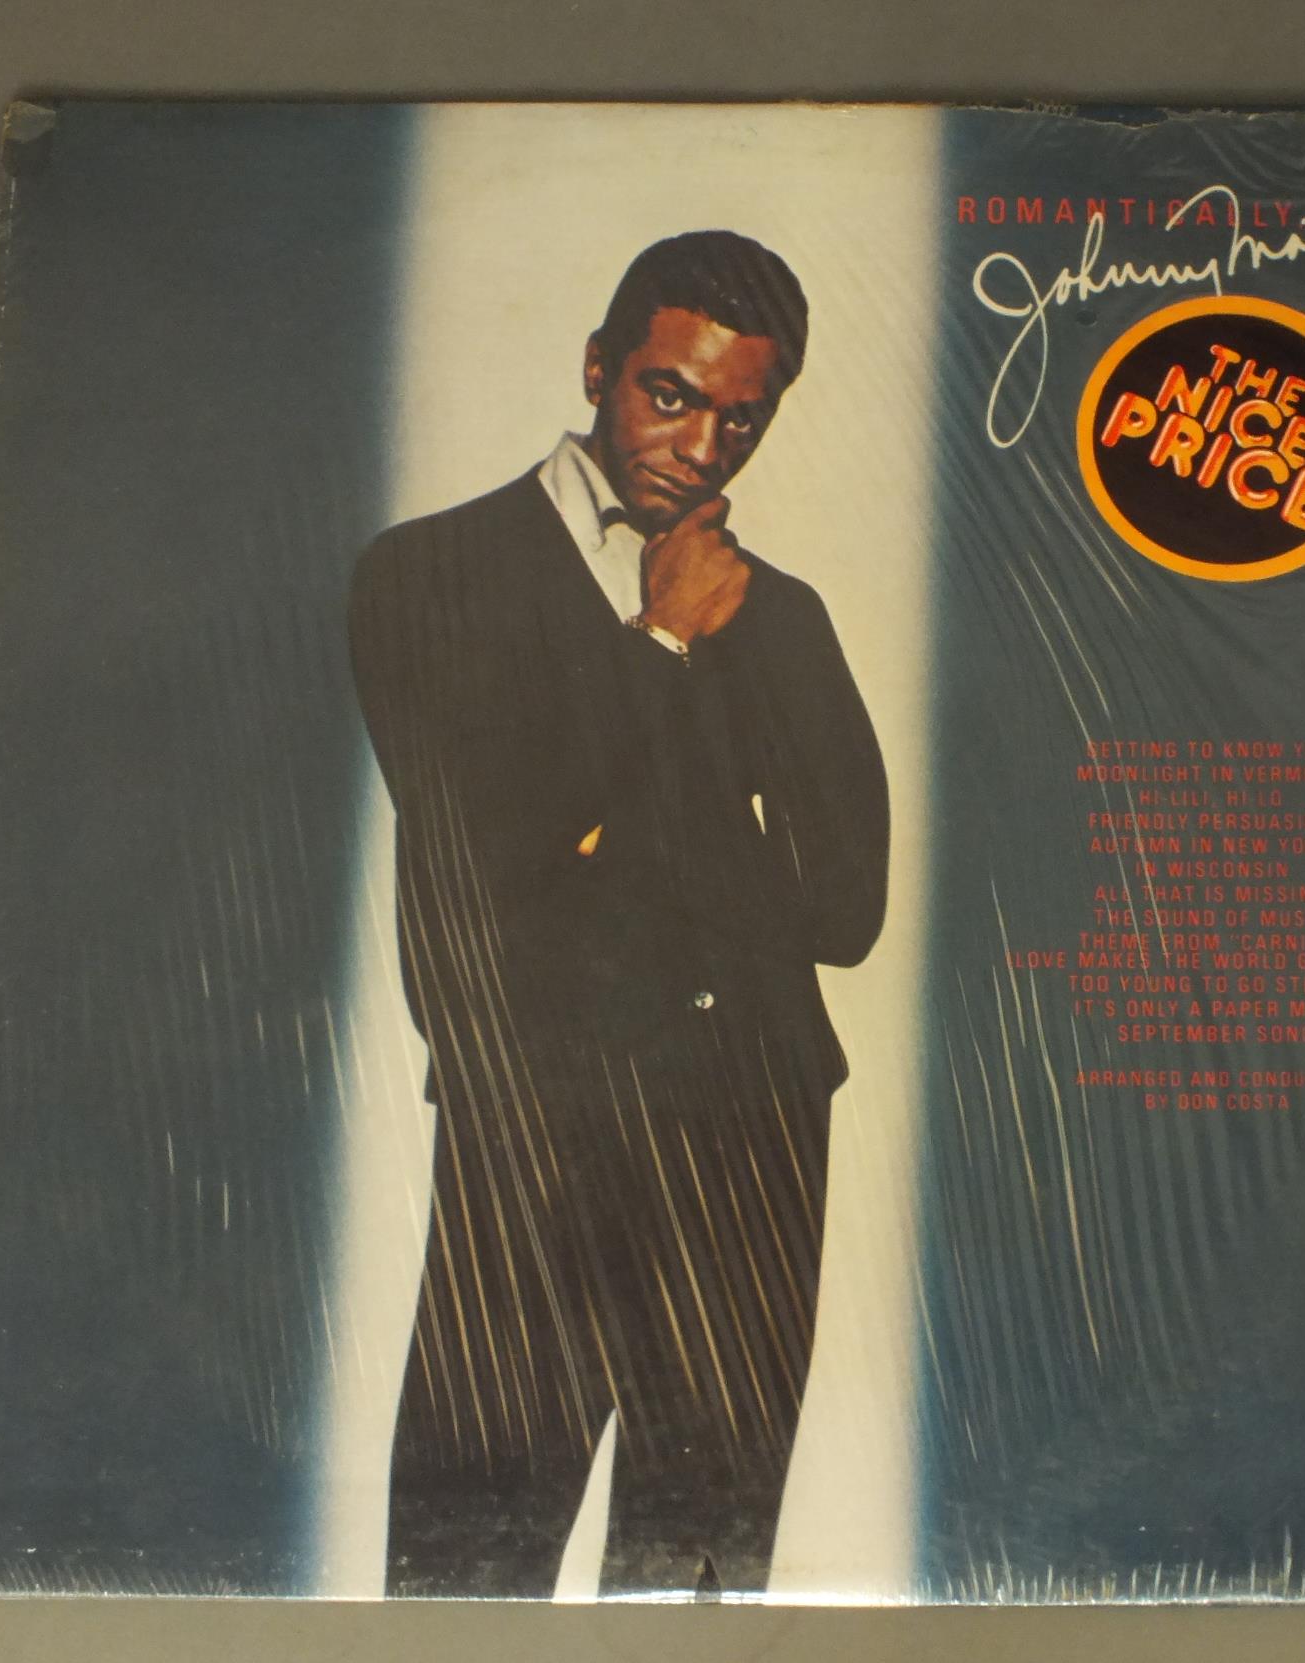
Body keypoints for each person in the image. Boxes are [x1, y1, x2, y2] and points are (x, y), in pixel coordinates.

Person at [348, 230, 890, 1599]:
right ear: (598, 369)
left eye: (740, 419)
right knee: (465, 1568)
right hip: (535, 1127)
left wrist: (605, 845)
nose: (700, 448)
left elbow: (846, 909)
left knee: (700, 1576)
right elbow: (485, 858)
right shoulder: (428, 572)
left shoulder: (782, 617)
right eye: (669, 395)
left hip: (750, 1132)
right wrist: (659, 650)